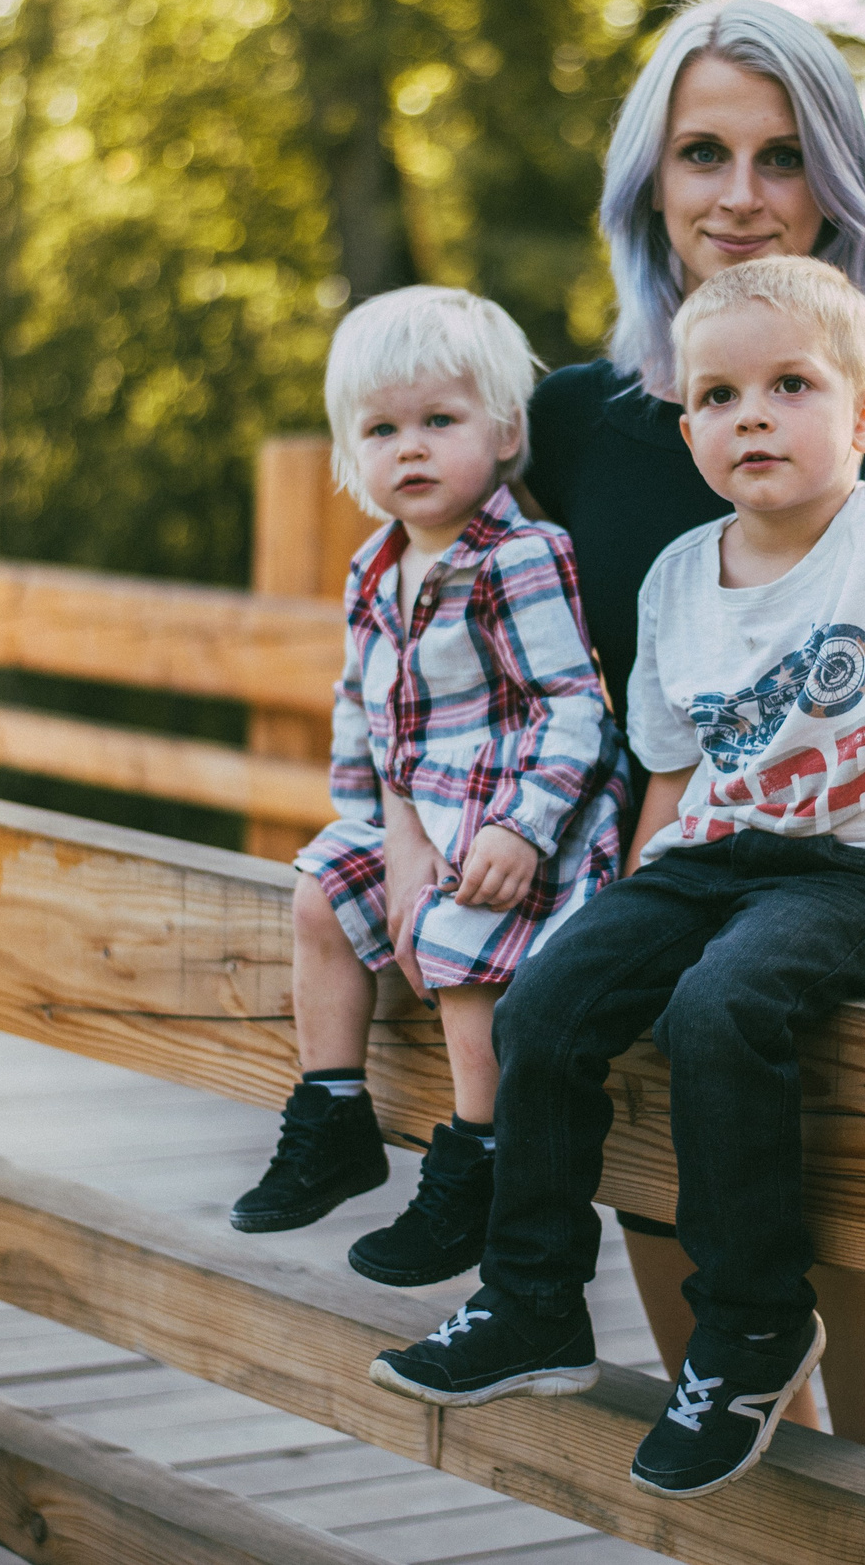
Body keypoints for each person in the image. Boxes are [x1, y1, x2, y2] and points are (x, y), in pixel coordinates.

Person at [369, 256, 865, 1501]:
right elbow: (671, 780)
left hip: (858, 868)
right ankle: (531, 1301)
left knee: (718, 1009)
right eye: (718, 396)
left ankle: (751, 1326)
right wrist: (620, 923)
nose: (751, 418)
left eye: (790, 387)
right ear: (688, 432)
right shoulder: (679, 575)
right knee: (547, 1002)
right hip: (709, 859)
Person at [524, 0, 865, 1452]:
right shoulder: (572, 423)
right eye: (704, 152)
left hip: (854, 946)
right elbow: (467, 642)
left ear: (837, 184)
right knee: (725, 1415)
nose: (742, 195)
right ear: (650, 179)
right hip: (648, 917)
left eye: (783, 155)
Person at [227, 286, 625, 1290]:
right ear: (349, 451)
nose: (410, 448)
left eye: (439, 421)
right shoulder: (375, 567)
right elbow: (361, 699)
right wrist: (365, 822)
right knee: (321, 888)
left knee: (459, 941)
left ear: (504, 433)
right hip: (421, 818)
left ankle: (480, 1155)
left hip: (516, 827)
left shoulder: (519, 558)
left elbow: (574, 706)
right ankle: (332, 1113)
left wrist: (524, 828)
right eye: (381, 430)